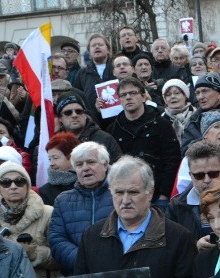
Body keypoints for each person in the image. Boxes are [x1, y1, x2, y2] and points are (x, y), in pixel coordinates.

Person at [107, 78, 181, 207]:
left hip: (157, 196)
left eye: (132, 93)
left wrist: (164, 194)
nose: (128, 97)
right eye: (123, 95)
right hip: (125, 198)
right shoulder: (113, 129)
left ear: (143, 96)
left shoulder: (162, 124)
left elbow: (172, 160)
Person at [49, 141, 114, 275]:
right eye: (79, 164)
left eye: (91, 162)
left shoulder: (119, 195)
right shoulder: (62, 201)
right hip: (78, 276)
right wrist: (83, 260)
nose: (85, 168)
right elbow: (57, 239)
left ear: (105, 164)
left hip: (117, 272)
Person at [0, 163, 58, 278]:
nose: (13, 186)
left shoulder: (48, 213)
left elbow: (60, 258)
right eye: (6, 182)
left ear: (27, 185)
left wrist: (34, 253)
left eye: (19, 181)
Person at [169, 142, 220, 238]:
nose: (207, 180)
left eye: (213, 174)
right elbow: (172, 244)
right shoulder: (177, 206)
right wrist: (195, 247)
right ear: (190, 175)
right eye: (199, 176)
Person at [55, 95, 122, 163]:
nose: (74, 115)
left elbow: (118, 169)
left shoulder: (105, 139)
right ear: (60, 118)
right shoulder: (55, 142)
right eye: (68, 112)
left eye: (79, 111)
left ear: (85, 115)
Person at [38, 132, 81, 206]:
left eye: (55, 158)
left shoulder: (88, 182)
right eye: (49, 159)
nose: (51, 163)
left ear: (72, 157)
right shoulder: (46, 191)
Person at [72, 34, 115, 106]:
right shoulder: (82, 73)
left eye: (100, 44)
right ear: (89, 52)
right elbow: (78, 97)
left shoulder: (117, 67)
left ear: (108, 49)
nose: (97, 47)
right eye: (93, 45)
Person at [162, 79, 196, 143]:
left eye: (177, 93)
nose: (172, 96)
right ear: (165, 100)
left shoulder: (197, 115)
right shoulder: (161, 120)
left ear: (185, 96)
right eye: (168, 94)